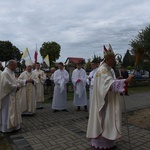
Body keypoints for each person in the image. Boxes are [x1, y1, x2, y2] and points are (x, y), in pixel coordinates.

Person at [86, 44, 134, 149]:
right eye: (113, 59)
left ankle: (108, 142)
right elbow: (109, 85)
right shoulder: (102, 70)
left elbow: (109, 83)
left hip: (106, 99)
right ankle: (101, 143)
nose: (114, 61)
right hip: (103, 101)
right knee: (104, 120)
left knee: (108, 120)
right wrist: (125, 81)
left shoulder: (107, 69)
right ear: (108, 59)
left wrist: (118, 80)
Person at [0, 60, 22, 133]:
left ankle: (14, 125)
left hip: (12, 95)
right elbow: (5, 85)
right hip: (7, 96)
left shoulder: (11, 73)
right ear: (11, 65)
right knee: (7, 111)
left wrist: (17, 84)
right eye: (15, 65)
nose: (16, 67)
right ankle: (6, 127)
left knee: (13, 110)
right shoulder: (5, 73)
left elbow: (13, 82)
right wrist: (16, 87)